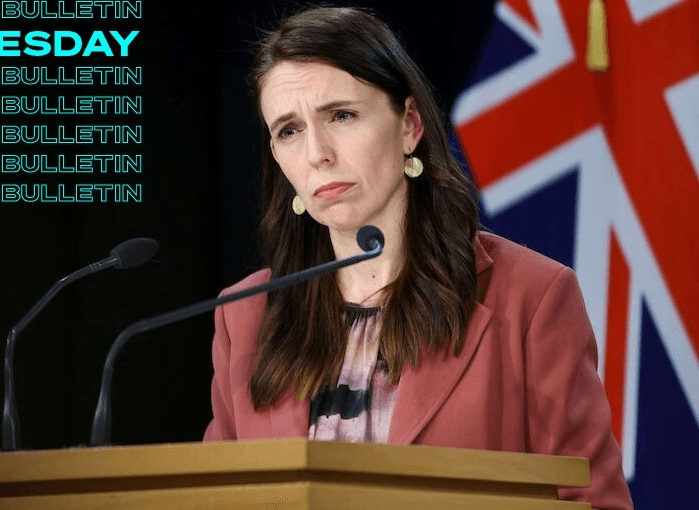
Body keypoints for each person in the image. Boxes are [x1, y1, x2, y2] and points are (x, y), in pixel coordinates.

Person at [204, 6, 632, 509]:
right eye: (289, 130)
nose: (318, 153)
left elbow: (593, 500)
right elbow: (217, 496)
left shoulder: (532, 297)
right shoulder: (245, 315)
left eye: (341, 115)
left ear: (409, 125)